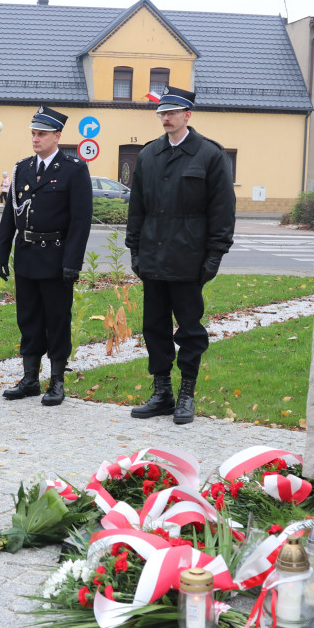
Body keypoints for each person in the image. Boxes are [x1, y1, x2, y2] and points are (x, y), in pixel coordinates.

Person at [125, 86, 235, 425]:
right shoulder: (148, 156)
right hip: (154, 258)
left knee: (189, 330)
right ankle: (162, 392)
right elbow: (138, 207)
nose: (165, 118)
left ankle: (186, 393)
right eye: (161, 113)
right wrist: (134, 248)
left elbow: (222, 209)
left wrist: (215, 254)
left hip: (189, 260)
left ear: (188, 115)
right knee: (154, 328)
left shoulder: (209, 155)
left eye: (172, 112)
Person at [0, 106, 92, 406]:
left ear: (57, 136)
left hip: (56, 257)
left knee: (57, 321)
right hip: (26, 256)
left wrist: (72, 262)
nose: (36, 138)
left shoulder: (73, 169)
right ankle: (30, 378)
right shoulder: (23, 167)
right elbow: (11, 214)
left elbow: (80, 220)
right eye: (33, 133)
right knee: (28, 318)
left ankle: (57, 381)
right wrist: (0, 252)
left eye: (42, 134)